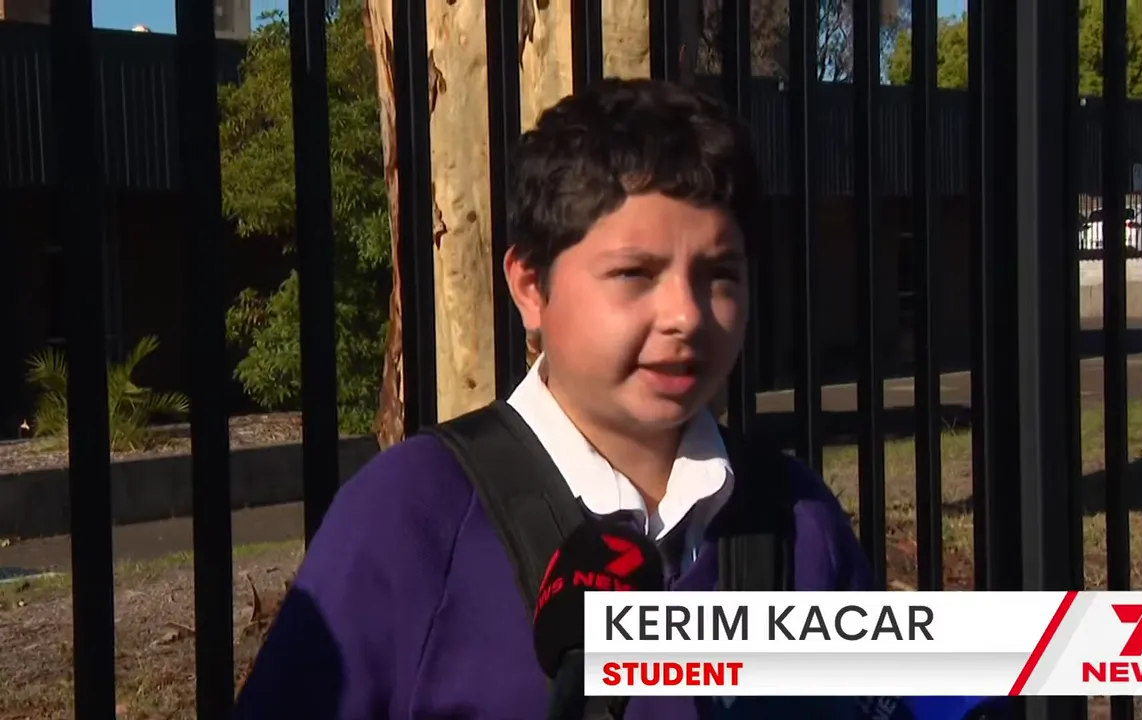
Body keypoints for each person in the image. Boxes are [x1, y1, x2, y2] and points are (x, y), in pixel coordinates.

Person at [233, 77, 877, 719]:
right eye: (635, 273)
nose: (686, 315)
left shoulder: (798, 516)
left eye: (720, 276)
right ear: (531, 287)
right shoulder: (410, 516)